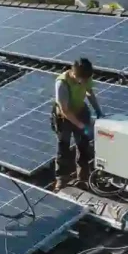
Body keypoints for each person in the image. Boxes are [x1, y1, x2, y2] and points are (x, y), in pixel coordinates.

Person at [52, 58, 103, 191]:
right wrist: (81, 126)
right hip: (64, 117)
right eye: (83, 80)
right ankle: (61, 179)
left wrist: (98, 111)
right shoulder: (62, 83)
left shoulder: (86, 77)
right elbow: (65, 110)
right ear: (75, 75)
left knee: (83, 146)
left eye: (88, 79)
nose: (86, 82)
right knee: (63, 147)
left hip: (81, 111)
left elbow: (89, 92)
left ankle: (83, 178)